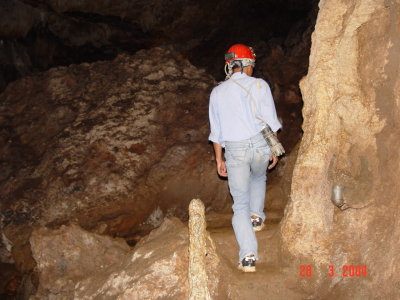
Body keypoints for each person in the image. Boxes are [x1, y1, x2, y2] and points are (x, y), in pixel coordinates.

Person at [208, 44, 282, 272]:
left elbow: (216, 132)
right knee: (259, 177)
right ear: (248, 64)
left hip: (235, 148)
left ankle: (248, 256)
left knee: (239, 204)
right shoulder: (260, 85)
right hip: (260, 144)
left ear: (230, 65)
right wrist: (273, 148)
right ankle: (257, 216)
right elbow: (271, 121)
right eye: (251, 65)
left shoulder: (217, 92)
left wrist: (219, 159)